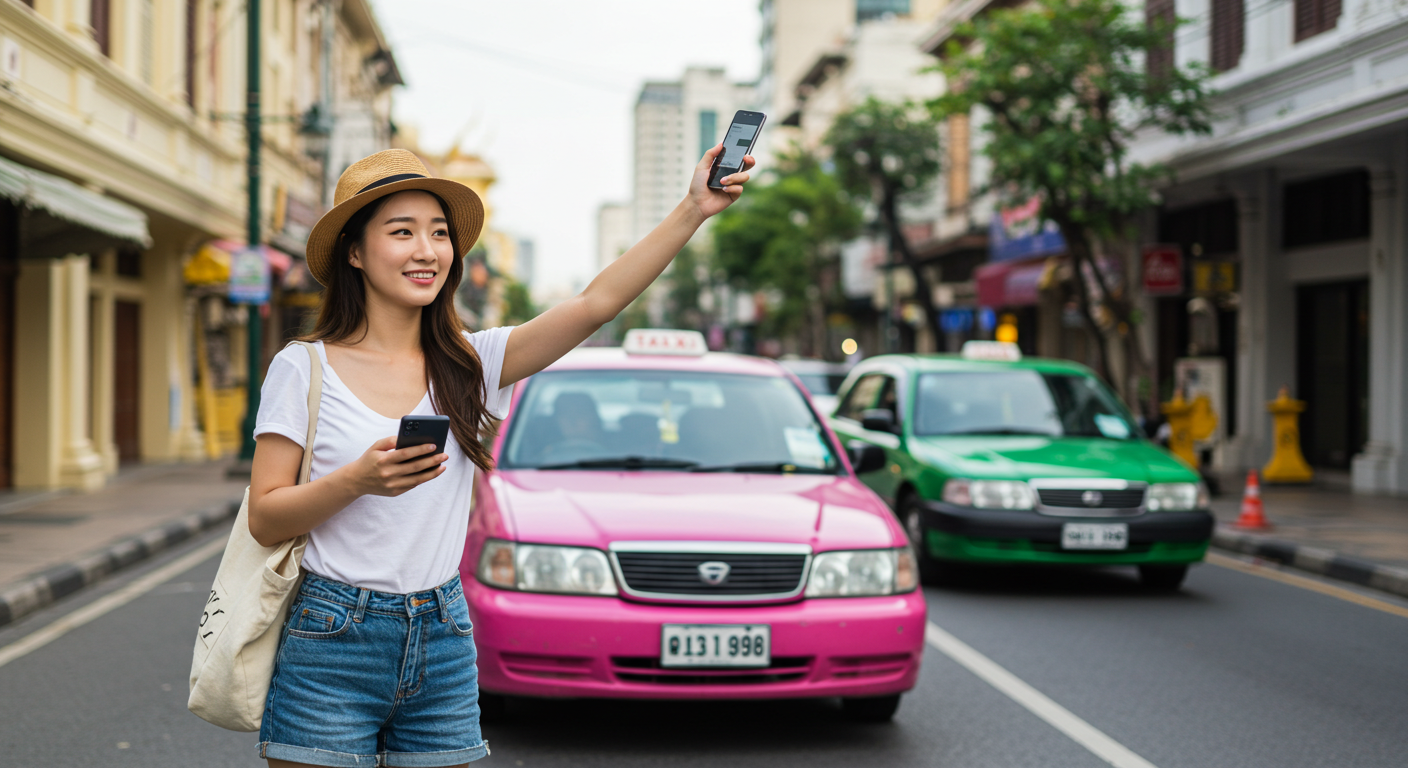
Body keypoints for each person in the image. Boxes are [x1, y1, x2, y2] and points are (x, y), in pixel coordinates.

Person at [247, 145, 752, 768]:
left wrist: (693, 210)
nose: (427, 250)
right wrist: (357, 480)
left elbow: (593, 305)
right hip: (330, 638)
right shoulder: (303, 366)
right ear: (355, 251)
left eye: (439, 233)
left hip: (443, 635)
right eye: (401, 232)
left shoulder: (473, 362)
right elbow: (266, 516)